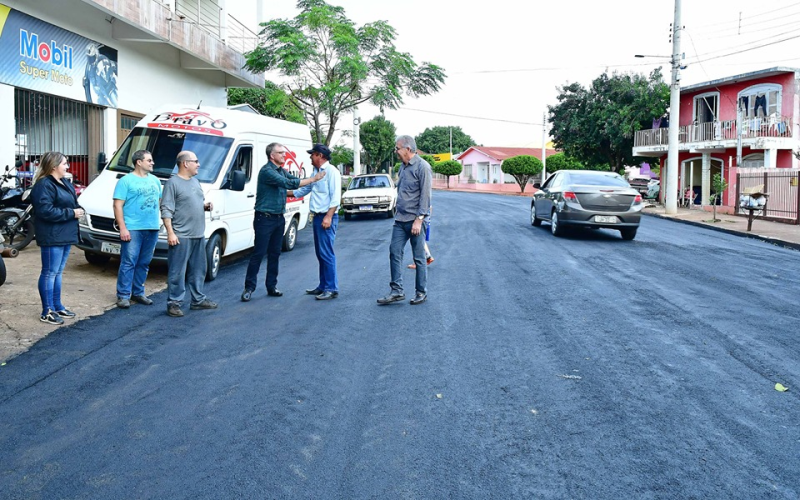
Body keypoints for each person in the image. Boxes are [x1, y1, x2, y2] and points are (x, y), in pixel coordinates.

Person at [241, 143, 325, 301]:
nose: (284, 155)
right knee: (259, 254)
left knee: (275, 254)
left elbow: (295, 180)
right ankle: (249, 288)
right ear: (272, 156)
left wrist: (309, 184)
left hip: (278, 218)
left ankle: (271, 286)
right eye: (280, 153)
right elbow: (289, 184)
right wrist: (314, 179)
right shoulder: (267, 172)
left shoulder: (281, 171)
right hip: (264, 218)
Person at [160, 150, 217, 317]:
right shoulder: (173, 183)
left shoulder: (195, 181)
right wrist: (171, 233)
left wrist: (204, 206)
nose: (199, 164)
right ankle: (174, 303)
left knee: (199, 269)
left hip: (198, 234)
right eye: (196, 161)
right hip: (181, 235)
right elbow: (166, 209)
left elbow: (192, 203)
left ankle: (198, 300)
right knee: (177, 271)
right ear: (185, 163)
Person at [30, 152, 84, 325]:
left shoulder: (64, 183)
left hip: (65, 234)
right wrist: (72, 213)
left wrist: (78, 209)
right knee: (49, 272)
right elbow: (45, 211)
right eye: (64, 163)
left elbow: (71, 203)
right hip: (52, 235)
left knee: (57, 272)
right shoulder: (44, 185)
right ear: (54, 166)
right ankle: (47, 311)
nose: (67, 166)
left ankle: (57, 305)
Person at [377, 135, 432, 306]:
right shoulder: (402, 167)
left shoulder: (423, 167)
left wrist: (419, 220)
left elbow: (425, 196)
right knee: (394, 252)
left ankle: (421, 292)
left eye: (397, 148)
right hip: (400, 220)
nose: (396, 151)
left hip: (415, 220)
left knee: (419, 258)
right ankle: (396, 291)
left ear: (408, 149)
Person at [288, 144, 342, 300]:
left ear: (320, 155)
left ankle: (331, 288)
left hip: (326, 217)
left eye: (313, 154)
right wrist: (284, 193)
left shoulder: (332, 172)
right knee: (320, 253)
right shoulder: (316, 173)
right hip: (318, 217)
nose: (310, 157)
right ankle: (323, 285)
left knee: (327, 253)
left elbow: (335, 198)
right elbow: (303, 190)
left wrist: (328, 217)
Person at [113, 150, 161, 309]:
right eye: (149, 160)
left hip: (152, 227)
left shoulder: (155, 180)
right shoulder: (125, 181)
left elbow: (159, 202)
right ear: (139, 162)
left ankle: (138, 292)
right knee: (129, 262)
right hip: (133, 228)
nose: (152, 163)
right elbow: (117, 205)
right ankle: (123, 295)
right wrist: (123, 228)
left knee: (144, 262)